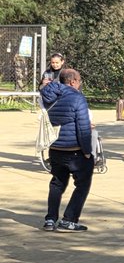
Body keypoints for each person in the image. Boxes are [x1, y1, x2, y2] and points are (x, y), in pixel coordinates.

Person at [40, 68, 93, 231]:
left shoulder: (48, 96)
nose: (80, 84)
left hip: (55, 147)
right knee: (83, 184)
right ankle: (69, 219)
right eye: (79, 80)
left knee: (57, 183)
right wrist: (87, 150)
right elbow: (83, 127)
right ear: (72, 82)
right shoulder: (77, 98)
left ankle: (50, 219)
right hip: (74, 149)